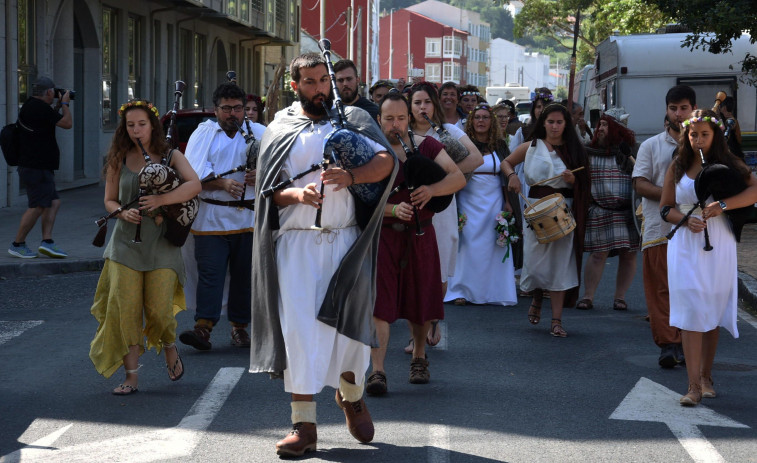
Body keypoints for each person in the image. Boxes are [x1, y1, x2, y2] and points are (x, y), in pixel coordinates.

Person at [250, 52, 396, 457]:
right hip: (295, 246)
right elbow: (267, 192)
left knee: (347, 331)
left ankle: (351, 395)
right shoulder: (279, 128)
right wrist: (297, 194)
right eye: (309, 82)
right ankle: (304, 425)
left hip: (346, 241)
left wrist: (352, 176)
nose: (319, 88)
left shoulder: (352, 120)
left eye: (322, 80)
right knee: (299, 332)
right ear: (294, 86)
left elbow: (387, 162)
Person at [89, 98, 201, 394]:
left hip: (162, 244)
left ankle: (168, 345)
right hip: (125, 245)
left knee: (159, 311)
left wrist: (162, 200)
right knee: (126, 313)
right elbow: (110, 199)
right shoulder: (118, 157)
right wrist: (121, 211)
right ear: (124, 129)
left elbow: (195, 185)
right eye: (131, 125)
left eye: (142, 124)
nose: (137, 130)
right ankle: (131, 377)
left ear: (153, 125)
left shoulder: (171, 155)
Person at [366, 91, 465, 396]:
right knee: (380, 306)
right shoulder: (369, 151)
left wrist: (431, 190)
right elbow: (358, 202)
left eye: (400, 117)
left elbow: (458, 177)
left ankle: (419, 358)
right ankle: (378, 371)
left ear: (408, 118)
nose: (394, 124)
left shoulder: (427, 145)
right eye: (388, 118)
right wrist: (391, 209)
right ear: (378, 120)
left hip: (421, 233)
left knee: (420, 300)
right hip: (384, 236)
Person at [660, 109, 757, 405]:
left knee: (711, 310)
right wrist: (685, 219)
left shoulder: (730, 164)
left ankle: (706, 376)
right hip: (686, 244)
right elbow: (665, 208)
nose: (698, 140)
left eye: (704, 134)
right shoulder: (677, 165)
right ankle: (692, 386)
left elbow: (754, 191)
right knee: (691, 309)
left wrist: (723, 205)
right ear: (686, 136)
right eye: (693, 135)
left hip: (719, 242)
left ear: (715, 135)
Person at [179, 83, 257, 351]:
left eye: (238, 108)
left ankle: (240, 328)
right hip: (210, 218)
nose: (232, 114)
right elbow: (193, 171)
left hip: (248, 219)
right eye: (226, 108)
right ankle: (203, 327)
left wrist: (262, 174)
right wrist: (222, 184)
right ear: (216, 109)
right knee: (210, 274)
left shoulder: (258, 132)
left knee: (243, 276)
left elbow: (282, 169)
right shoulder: (204, 133)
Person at [502, 103, 591, 337]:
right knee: (536, 261)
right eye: (550, 122)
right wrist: (512, 176)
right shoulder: (531, 146)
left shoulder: (575, 149)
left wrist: (573, 180)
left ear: (566, 124)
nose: (554, 126)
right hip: (536, 207)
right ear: (543, 123)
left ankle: (556, 319)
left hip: (564, 209)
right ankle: (538, 295)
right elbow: (506, 162)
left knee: (561, 264)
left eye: (559, 122)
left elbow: (586, 182)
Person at [407, 82, 483, 347]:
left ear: (435, 104)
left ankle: (433, 318)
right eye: (417, 103)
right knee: (412, 269)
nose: (422, 107)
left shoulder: (447, 131)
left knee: (438, 268)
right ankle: (415, 334)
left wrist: (442, 177)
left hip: (441, 207)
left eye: (427, 102)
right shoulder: (401, 133)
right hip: (410, 207)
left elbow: (476, 159)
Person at [633, 85, 696, 368]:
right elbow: (640, 183)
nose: (678, 114)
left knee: (690, 289)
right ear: (666, 110)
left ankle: (687, 343)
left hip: (696, 230)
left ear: (693, 109)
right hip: (660, 230)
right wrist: (671, 195)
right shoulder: (651, 146)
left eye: (684, 108)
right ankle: (668, 345)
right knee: (660, 289)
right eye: (673, 108)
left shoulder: (706, 144)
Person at [445, 103, 518, 306]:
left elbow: (504, 176)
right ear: (471, 121)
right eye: (477, 117)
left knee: (492, 245)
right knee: (466, 245)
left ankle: (493, 290)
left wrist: (507, 202)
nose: (481, 121)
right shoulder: (463, 146)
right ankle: (459, 290)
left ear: (491, 121)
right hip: (467, 199)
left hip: (494, 201)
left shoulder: (500, 146)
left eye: (485, 117)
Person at [576, 112, 639, 311]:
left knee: (628, 255)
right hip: (600, 210)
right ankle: (588, 296)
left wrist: (629, 156)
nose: (600, 129)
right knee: (597, 254)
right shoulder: (590, 151)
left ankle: (620, 297)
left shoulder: (631, 152)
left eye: (605, 125)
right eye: (599, 125)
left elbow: (642, 177)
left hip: (626, 211)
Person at [8, 76, 72, 259]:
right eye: (55, 93)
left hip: (38, 166)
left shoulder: (32, 106)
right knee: (37, 205)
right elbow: (67, 124)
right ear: (50, 92)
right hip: (35, 167)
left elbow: (48, 120)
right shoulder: (39, 108)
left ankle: (47, 242)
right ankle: (17, 244)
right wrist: (65, 104)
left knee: (53, 202)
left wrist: (58, 106)